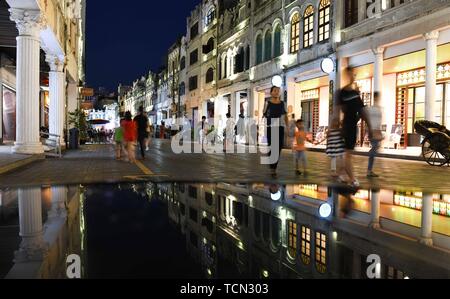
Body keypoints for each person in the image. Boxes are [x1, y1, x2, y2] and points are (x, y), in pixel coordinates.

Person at [335, 67, 368, 187]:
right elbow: (337, 111)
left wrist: (369, 125)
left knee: (348, 153)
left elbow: (362, 110)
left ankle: (339, 173)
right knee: (348, 154)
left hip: (353, 125)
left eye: (354, 74)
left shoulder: (355, 93)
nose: (352, 76)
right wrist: (336, 126)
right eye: (350, 74)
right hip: (347, 125)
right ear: (346, 75)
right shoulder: (342, 92)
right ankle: (353, 179)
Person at [263, 86, 289, 177]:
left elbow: (285, 116)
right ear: (271, 93)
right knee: (272, 147)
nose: (277, 92)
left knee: (279, 147)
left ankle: (273, 166)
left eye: (278, 91)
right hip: (271, 126)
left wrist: (287, 126)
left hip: (280, 126)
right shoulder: (267, 103)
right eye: (275, 91)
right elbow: (265, 114)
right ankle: (272, 168)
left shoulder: (283, 103)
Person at [366, 92, 383, 178]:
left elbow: (379, 122)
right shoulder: (372, 109)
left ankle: (370, 170)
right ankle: (369, 170)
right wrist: (370, 131)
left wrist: (379, 131)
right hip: (373, 131)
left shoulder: (378, 108)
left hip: (375, 131)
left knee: (375, 148)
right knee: (374, 149)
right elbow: (368, 120)